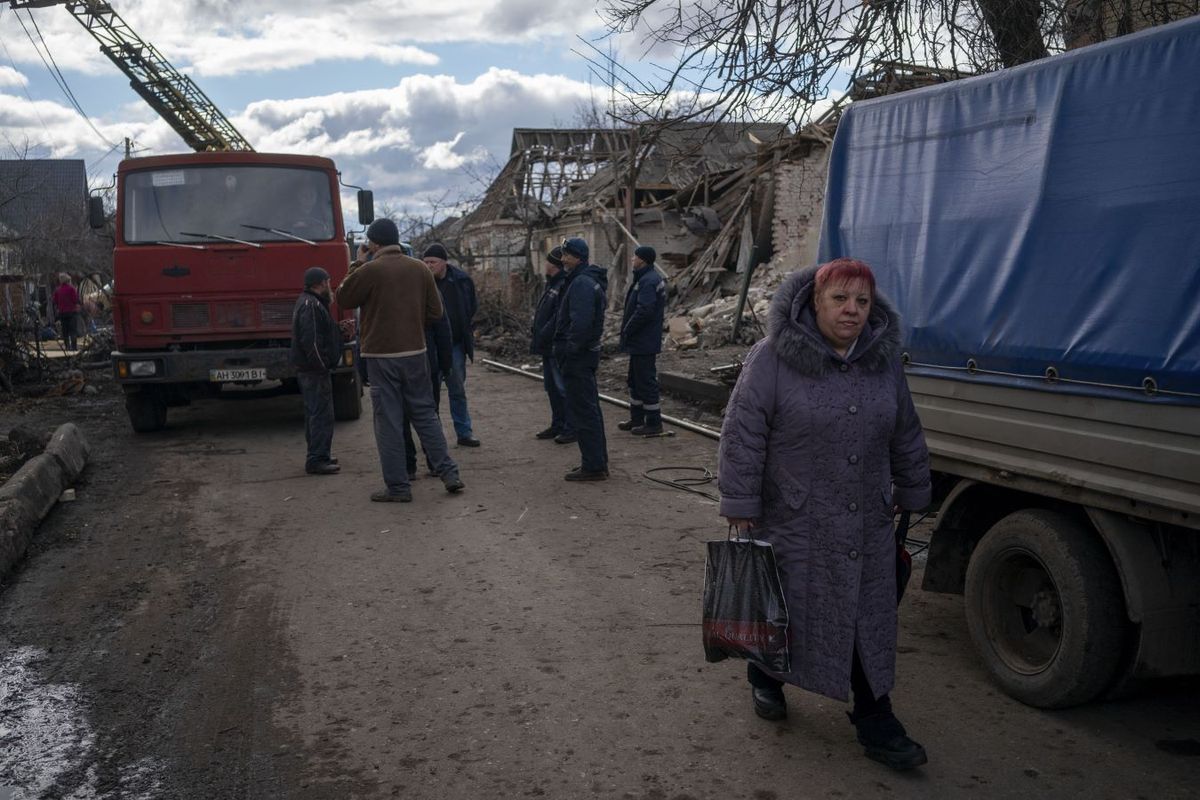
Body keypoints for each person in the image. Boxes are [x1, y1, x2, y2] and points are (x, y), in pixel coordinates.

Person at [717, 258, 932, 771]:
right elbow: (743, 434)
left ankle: (875, 715)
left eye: (862, 301)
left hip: (868, 518)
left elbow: (904, 428)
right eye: (840, 299)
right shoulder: (771, 357)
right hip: (794, 515)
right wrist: (741, 504)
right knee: (784, 605)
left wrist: (914, 485)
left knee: (866, 617)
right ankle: (764, 676)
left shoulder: (883, 362)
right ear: (815, 302)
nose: (852, 311)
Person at [336, 218, 465, 502]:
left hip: (381, 357)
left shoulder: (369, 270)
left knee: (389, 422)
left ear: (373, 244)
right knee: (425, 415)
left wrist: (357, 262)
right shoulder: (419, 269)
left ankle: (398, 487)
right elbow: (435, 312)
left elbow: (343, 297)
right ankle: (449, 473)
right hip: (416, 354)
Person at [552, 237, 609, 481]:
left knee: (584, 411)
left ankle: (594, 466)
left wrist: (570, 351)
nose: (562, 259)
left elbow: (581, 324)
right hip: (583, 356)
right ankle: (595, 462)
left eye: (566, 255)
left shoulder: (582, 283)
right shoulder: (584, 280)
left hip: (578, 358)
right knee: (588, 409)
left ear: (578, 257)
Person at [422, 243, 480, 447]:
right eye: (426, 262)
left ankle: (464, 432)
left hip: (455, 344)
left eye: (433, 262)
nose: (428, 266)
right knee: (430, 394)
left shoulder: (462, 280)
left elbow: (471, 306)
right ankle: (433, 439)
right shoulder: (420, 282)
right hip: (429, 346)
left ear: (444, 262)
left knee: (457, 389)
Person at [290, 267, 345, 476]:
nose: (329, 286)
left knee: (317, 414)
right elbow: (311, 341)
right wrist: (322, 365)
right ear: (320, 283)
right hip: (314, 372)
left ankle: (321, 454)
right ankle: (316, 459)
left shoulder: (311, 303)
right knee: (320, 415)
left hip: (312, 370)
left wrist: (338, 330)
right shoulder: (310, 305)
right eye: (328, 282)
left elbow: (322, 334)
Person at [617, 245, 668, 436]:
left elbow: (644, 310)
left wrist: (628, 329)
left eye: (635, 257)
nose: (632, 259)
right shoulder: (647, 278)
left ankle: (654, 423)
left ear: (643, 260)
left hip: (643, 341)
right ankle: (637, 419)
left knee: (645, 381)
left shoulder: (648, 281)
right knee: (634, 380)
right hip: (641, 341)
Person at [402, 305, 454, 479]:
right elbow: (443, 329)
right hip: (425, 361)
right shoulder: (426, 285)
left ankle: (408, 467)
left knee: (401, 417)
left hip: (397, 361)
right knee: (430, 414)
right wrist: (446, 365)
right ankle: (436, 464)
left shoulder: (385, 286)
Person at [530, 246, 575, 444]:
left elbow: (558, 318)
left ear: (554, 265)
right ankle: (557, 424)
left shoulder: (563, 286)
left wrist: (544, 333)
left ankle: (570, 427)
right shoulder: (551, 284)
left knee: (562, 387)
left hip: (555, 345)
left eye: (547, 261)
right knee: (552, 388)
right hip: (547, 347)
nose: (544, 264)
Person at [52, 273, 80, 351]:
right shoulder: (72, 289)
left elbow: (55, 301)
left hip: (62, 313)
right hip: (72, 312)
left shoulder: (57, 290)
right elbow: (75, 300)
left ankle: (67, 347)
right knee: (73, 331)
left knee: (65, 331)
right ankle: (74, 348)